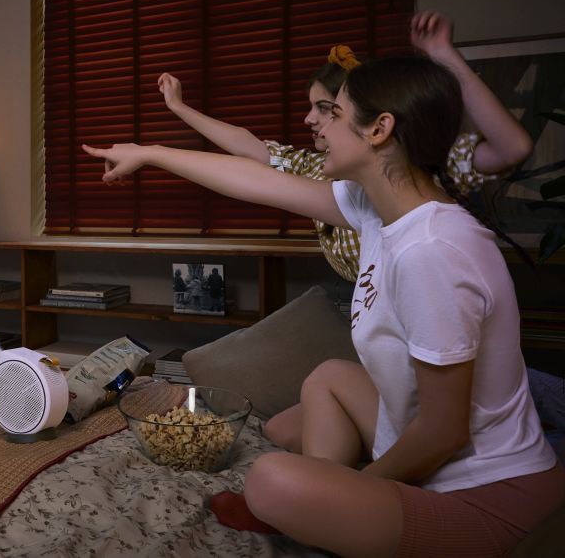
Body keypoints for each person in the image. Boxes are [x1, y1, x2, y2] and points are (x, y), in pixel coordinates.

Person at [82, 56, 561, 556]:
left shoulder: (431, 250)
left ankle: (322, 508)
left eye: (334, 113)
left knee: (271, 479)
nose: (319, 125)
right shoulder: (378, 209)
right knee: (327, 377)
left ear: (379, 129)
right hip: (444, 456)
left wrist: (359, 487)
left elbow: (443, 432)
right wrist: (150, 152)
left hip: (488, 497)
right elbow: (255, 181)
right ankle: (325, 505)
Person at [159, 11, 532, 282]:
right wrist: (177, 111)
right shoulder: (338, 187)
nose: (309, 120)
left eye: (329, 110)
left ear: (377, 125)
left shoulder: (428, 213)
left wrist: (445, 56)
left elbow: (512, 147)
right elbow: (251, 157)